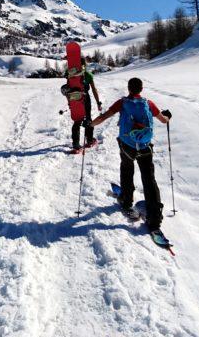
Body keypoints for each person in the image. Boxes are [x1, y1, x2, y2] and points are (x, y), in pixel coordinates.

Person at [92, 77, 172, 242]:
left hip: (127, 146)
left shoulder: (122, 103)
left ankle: (126, 199)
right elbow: (163, 120)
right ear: (141, 89)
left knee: (127, 168)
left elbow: (104, 117)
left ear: (129, 88)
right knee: (149, 179)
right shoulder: (148, 103)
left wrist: (89, 124)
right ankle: (154, 218)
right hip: (144, 147)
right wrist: (168, 117)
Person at [70, 57, 102, 151]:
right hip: (85, 98)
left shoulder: (71, 75)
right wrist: (98, 102)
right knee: (88, 118)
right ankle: (89, 140)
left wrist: (69, 101)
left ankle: (76, 144)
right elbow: (93, 89)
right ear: (85, 65)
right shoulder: (88, 75)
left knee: (77, 119)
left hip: (74, 98)